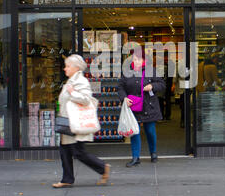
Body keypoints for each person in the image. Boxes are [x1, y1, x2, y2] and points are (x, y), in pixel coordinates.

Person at [53, 54, 110, 188]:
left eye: (68, 66)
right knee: (65, 150)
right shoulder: (72, 80)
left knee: (77, 151)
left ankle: (103, 168)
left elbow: (86, 99)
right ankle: (67, 179)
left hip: (74, 122)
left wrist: (72, 93)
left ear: (76, 67)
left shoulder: (80, 81)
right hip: (67, 122)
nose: (64, 69)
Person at [118, 50, 166, 167]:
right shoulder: (127, 72)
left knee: (150, 131)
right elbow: (120, 87)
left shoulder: (151, 71)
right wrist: (124, 98)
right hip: (133, 106)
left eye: (138, 59)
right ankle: (135, 157)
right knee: (135, 131)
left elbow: (162, 84)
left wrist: (152, 86)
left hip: (149, 106)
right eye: (134, 59)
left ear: (144, 60)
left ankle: (153, 152)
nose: (136, 61)